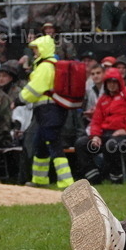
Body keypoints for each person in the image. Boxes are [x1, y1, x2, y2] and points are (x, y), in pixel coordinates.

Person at [74, 67, 126, 185]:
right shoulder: (103, 99)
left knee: (111, 145)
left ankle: (116, 178)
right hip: (106, 134)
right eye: (109, 82)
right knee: (81, 144)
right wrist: (95, 136)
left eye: (114, 82)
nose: (111, 85)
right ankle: (94, 178)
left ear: (119, 82)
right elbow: (96, 120)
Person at [21, 35, 74, 189]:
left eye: (36, 49)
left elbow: (35, 89)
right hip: (50, 111)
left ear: (43, 49)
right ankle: (39, 180)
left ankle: (67, 182)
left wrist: (20, 98)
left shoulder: (45, 66)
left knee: (53, 143)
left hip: (49, 111)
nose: (34, 52)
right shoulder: (51, 65)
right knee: (40, 144)